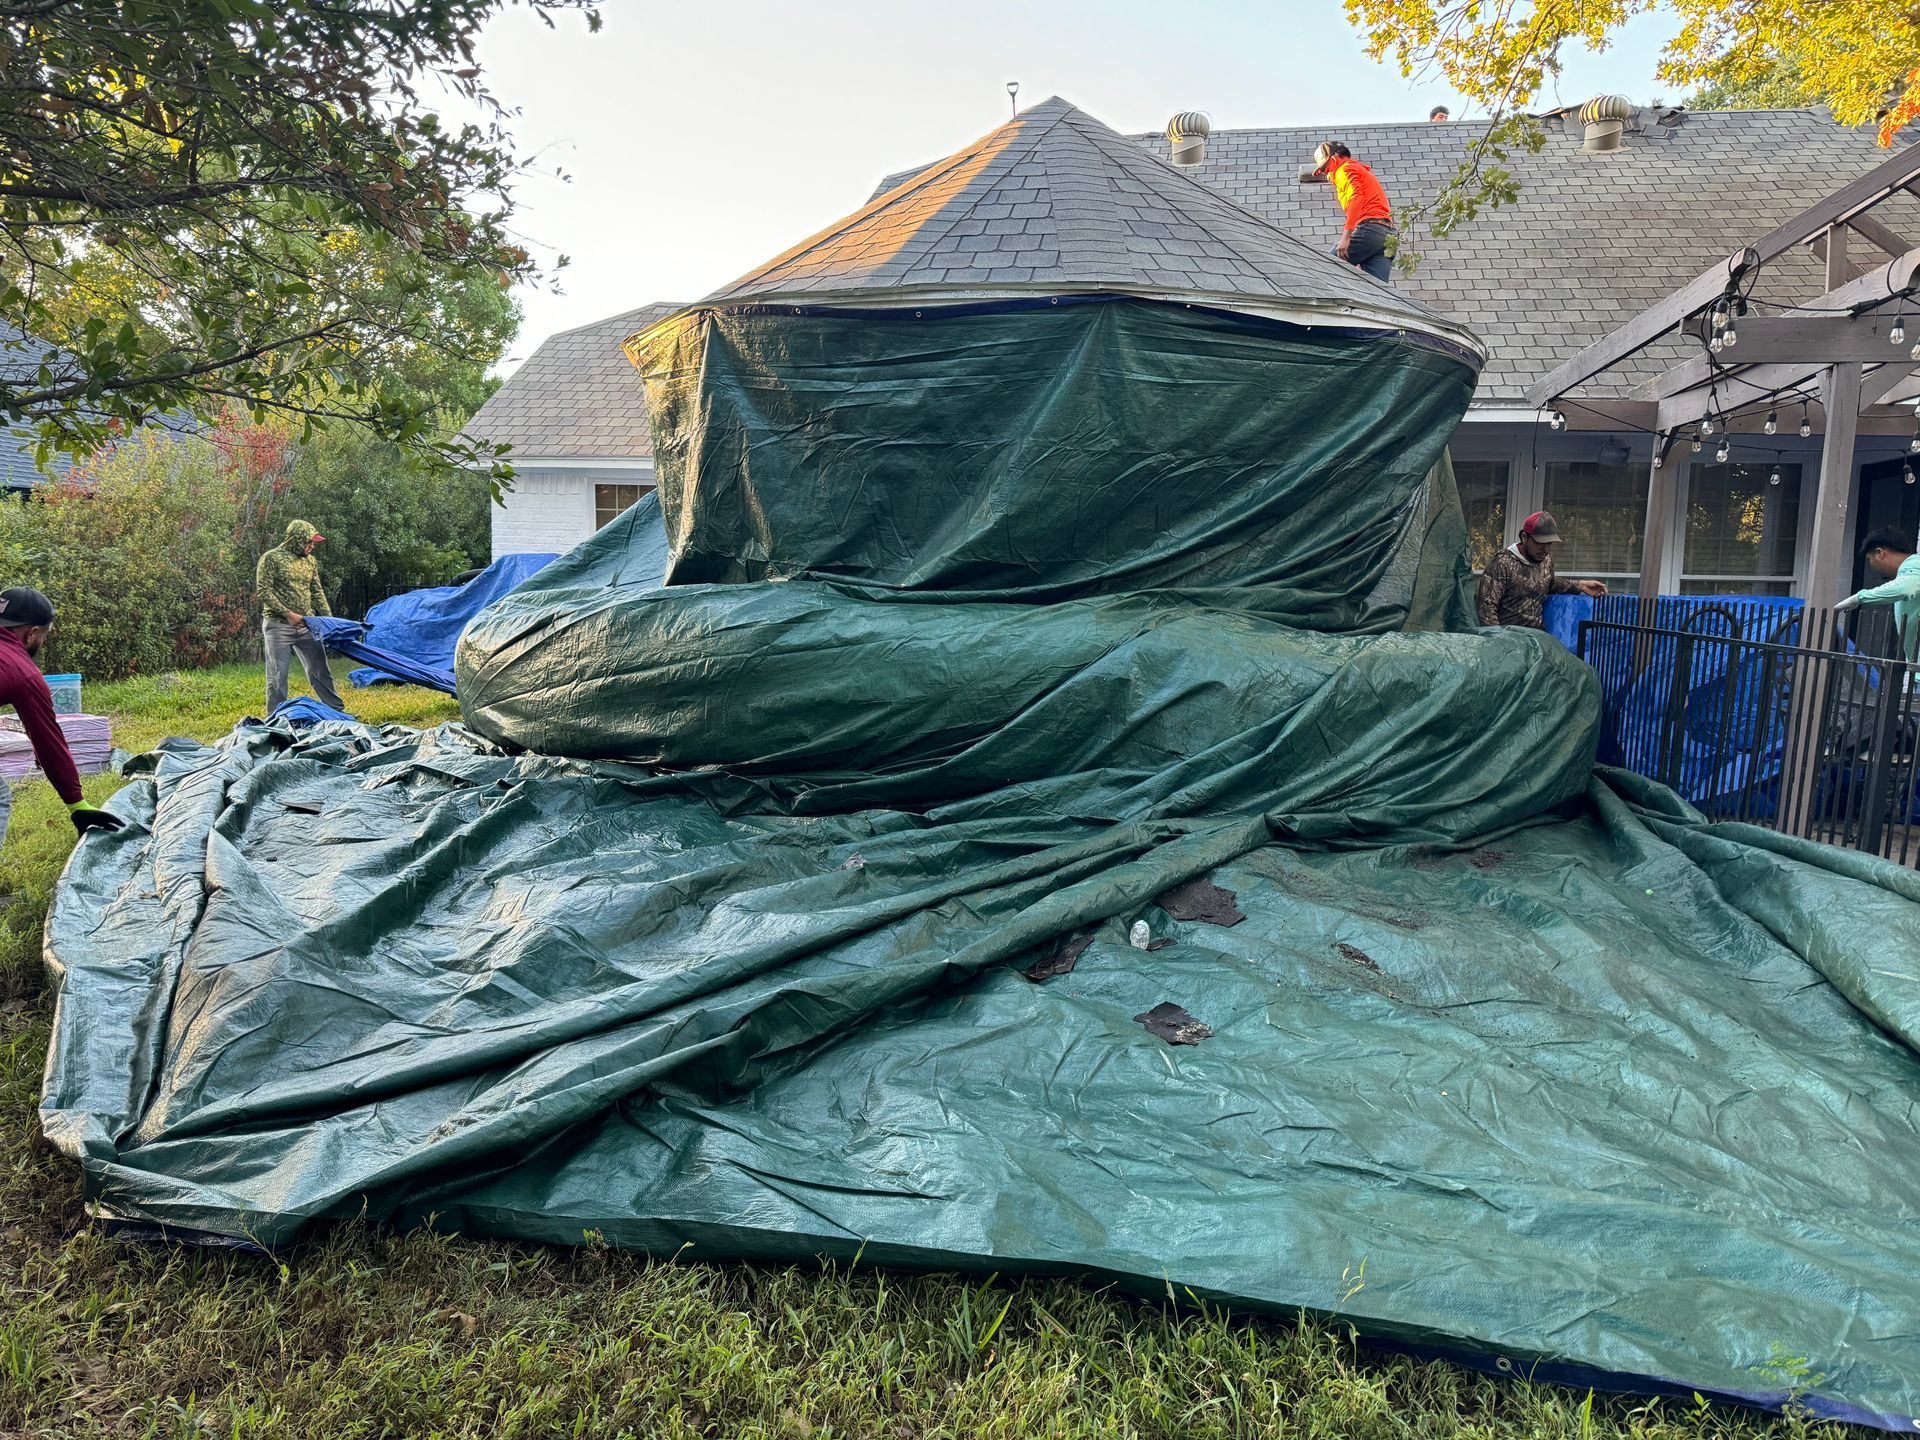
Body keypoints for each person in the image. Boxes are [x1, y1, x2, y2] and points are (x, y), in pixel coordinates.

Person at [0, 587, 124, 841]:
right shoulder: (23, 672)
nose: (41, 642)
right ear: (31, 632)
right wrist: (77, 805)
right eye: (43, 635)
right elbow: (48, 743)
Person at [256, 519, 346, 715]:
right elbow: (264, 591)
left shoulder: (310, 561)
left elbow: (317, 592)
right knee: (277, 677)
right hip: (278, 626)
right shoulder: (271, 558)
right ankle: (276, 719)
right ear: (297, 540)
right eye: (309, 542)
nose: (312, 546)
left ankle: (337, 712)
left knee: (320, 671)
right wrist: (288, 614)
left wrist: (330, 622)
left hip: (307, 625)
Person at [1476, 511, 1608, 629]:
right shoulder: (1502, 565)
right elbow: (1486, 610)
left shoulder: (1546, 561)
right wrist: (1499, 642)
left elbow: (1550, 583)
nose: (1545, 550)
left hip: (1536, 639)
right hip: (1509, 639)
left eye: (1549, 544)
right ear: (1524, 537)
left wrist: (1581, 585)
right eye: (1539, 543)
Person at [1310, 141, 1396, 282]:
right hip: (1389, 236)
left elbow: (1356, 197)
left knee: (1325, 269)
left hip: (1371, 230)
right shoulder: (1359, 170)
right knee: (1378, 291)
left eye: (1326, 169)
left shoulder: (1345, 169)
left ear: (1333, 159)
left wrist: (1346, 236)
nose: (1327, 174)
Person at [1836, 525, 1920, 660]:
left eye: (1869, 559)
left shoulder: (1915, 565)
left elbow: (1904, 588)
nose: (1871, 566)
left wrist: (1858, 598)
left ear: (1880, 553)